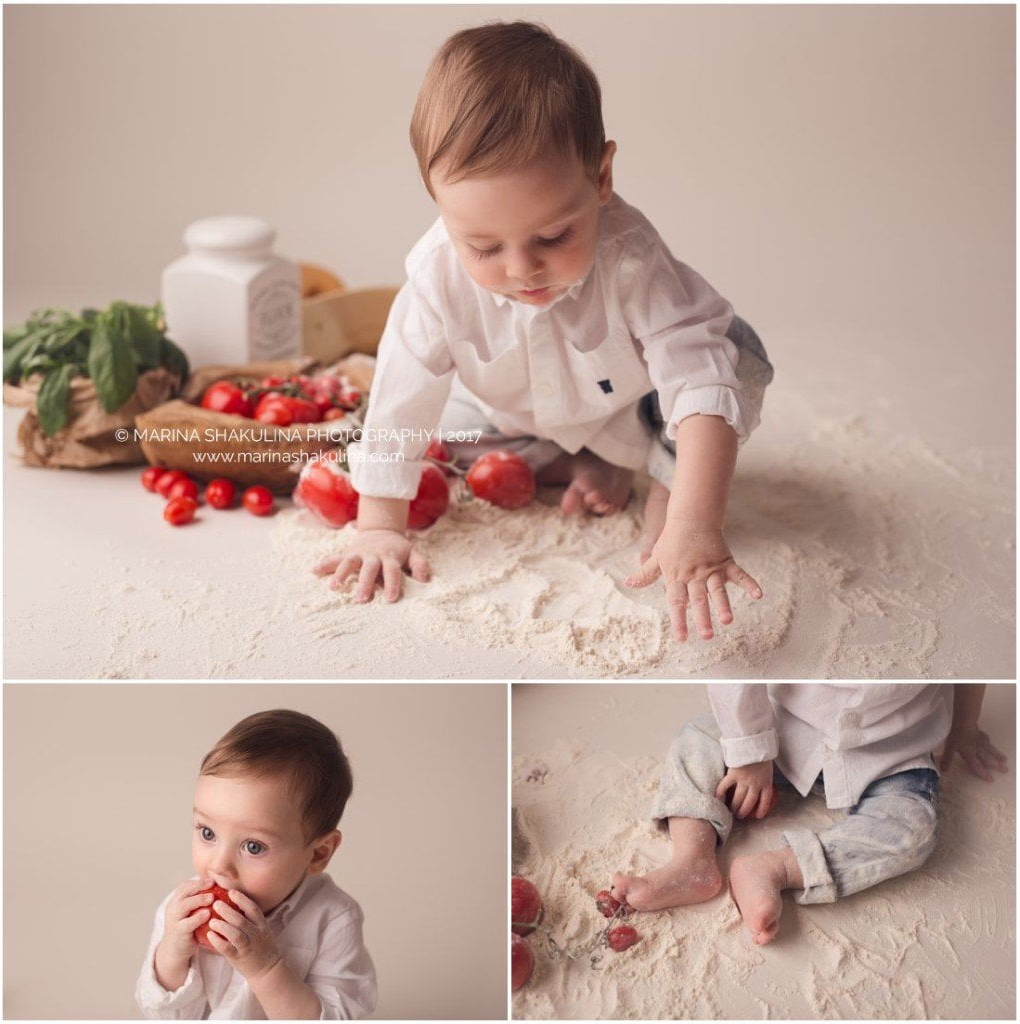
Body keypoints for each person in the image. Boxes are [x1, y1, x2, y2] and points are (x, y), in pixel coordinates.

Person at [315, 20, 773, 643]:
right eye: (483, 246)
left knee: (731, 360)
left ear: (601, 177)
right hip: (511, 411)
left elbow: (694, 378)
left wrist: (697, 522)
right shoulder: (434, 278)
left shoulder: (633, 261)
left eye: (553, 236)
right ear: (439, 205)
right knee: (447, 446)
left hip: (632, 408)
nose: (521, 269)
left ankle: (670, 489)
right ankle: (585, 462)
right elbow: (401, 398)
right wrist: (378, 526)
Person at [610, 684, 1009, 945]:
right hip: (789, 733)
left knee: (912, 829)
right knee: (698, 736)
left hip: (892, 752)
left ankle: (778, 869)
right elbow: (736, 666)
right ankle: (691, 859)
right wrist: (750, 753)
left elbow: (965, 662)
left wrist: (965, 725)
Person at [135, 710, 376, 1019]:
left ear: (318, 854)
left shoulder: (333, 918)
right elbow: (161, 1015)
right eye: (207, 833)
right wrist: (173, 953)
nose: (219, 865)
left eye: (253, 846)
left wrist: (266, 969)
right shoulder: (181, 910)